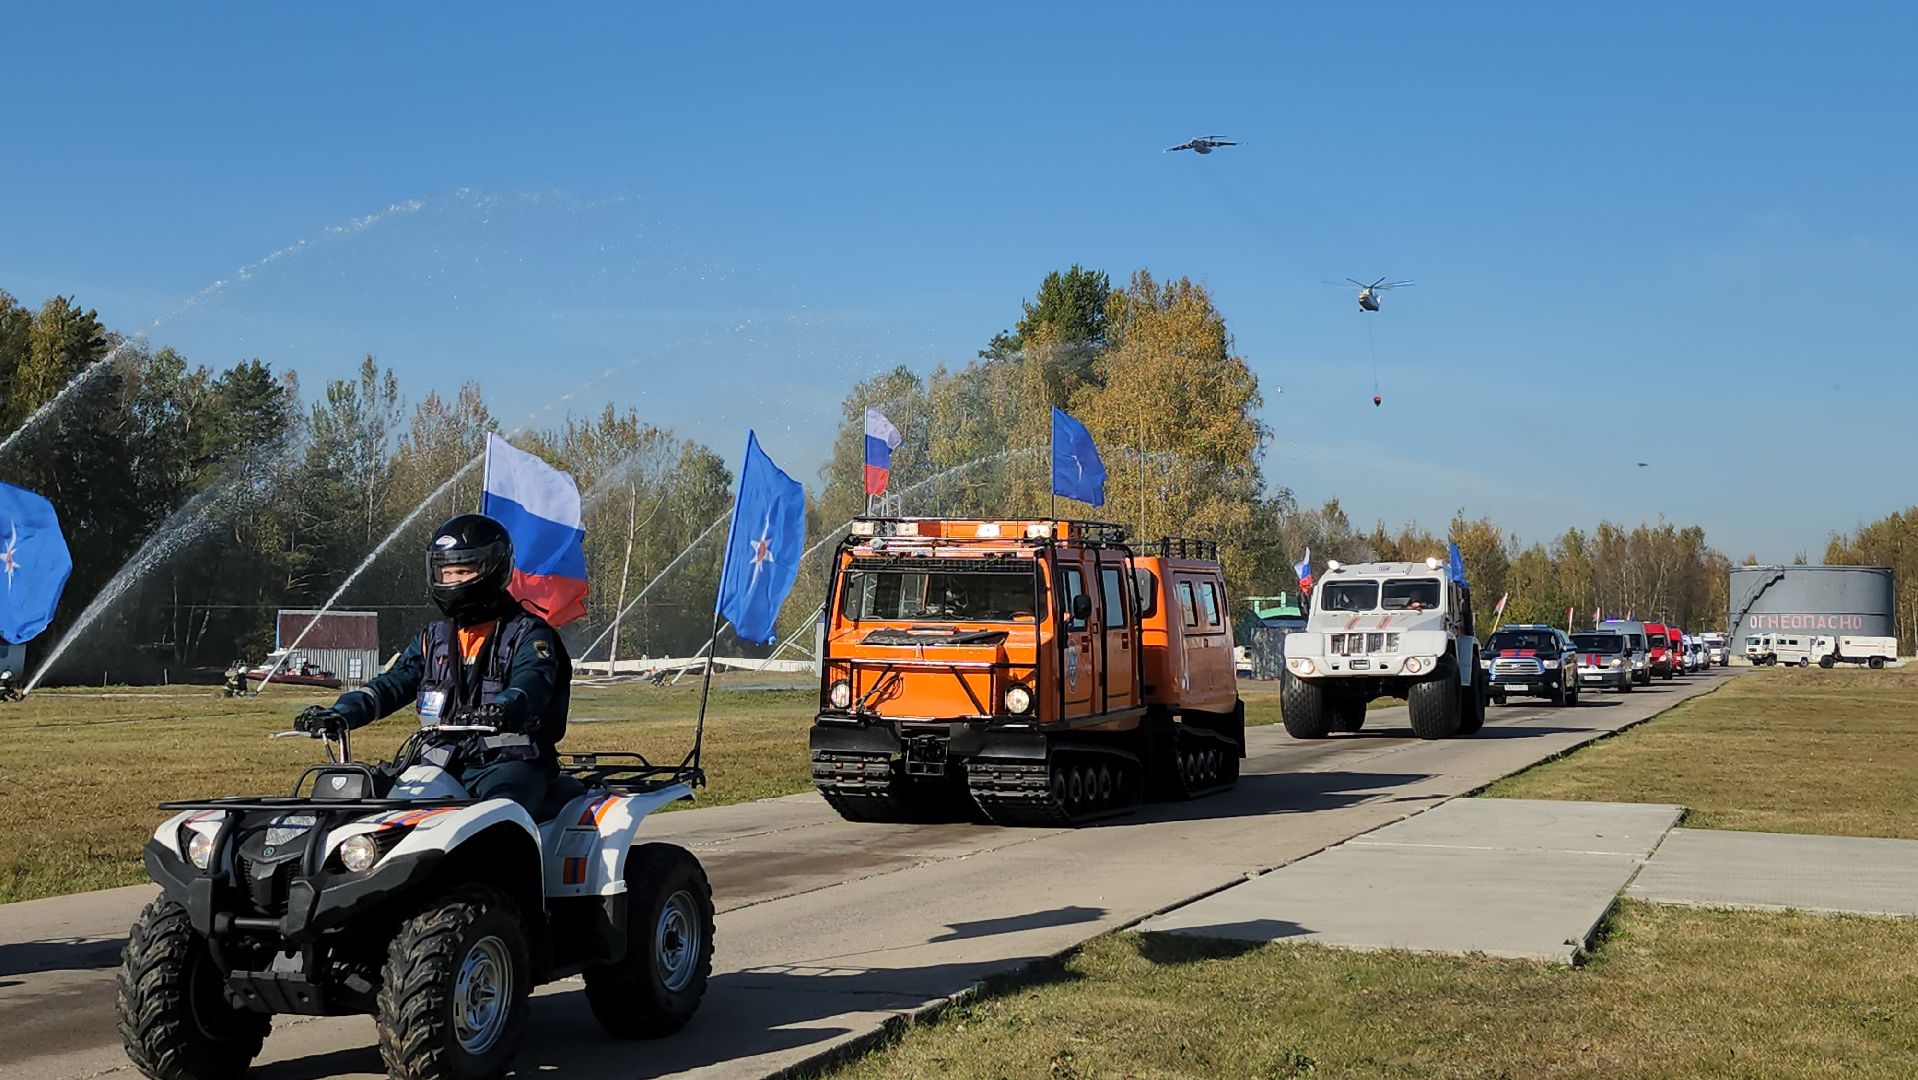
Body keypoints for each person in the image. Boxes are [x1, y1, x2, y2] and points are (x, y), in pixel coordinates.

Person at [295, 514, 570, 816]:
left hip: (508, 765)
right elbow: (391, 685)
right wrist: (341, 713)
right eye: (446, 572)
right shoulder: (433, 638)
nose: (451, 581)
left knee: (502, 819)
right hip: (438, 764)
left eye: (462, 571)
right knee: (371, 810)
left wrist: (506, 707)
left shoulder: (529, 634)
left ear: (495, 569)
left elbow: (533, 681)